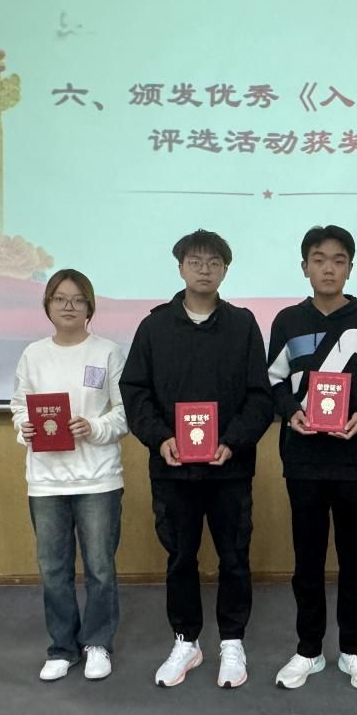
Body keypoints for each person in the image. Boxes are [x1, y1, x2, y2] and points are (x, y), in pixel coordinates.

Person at [120, 229, 273, 689]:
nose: (204, 270)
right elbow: (135, 391)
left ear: (225, 270)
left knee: (234, 556)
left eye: (214, 262)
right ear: (180, 267)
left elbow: (260, 395)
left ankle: (232, 640)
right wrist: (160, 438)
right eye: (195, 261)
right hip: (173, 469)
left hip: (230, 468)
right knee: (180, 557)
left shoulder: (243, 325)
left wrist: (234, 441)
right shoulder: (154, 327)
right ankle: (186, 640)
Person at [266, 225, 357, 691]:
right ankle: (309, 649)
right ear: (305, 267)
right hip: (303, 458)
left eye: (338, 260)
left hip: (356, 459)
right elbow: (273, 381)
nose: (328, 268)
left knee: (354, 559)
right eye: (319, 259)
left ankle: (354, 650)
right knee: (308, 560)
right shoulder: (288, 321)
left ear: (350, 268)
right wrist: (290, 413)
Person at [10, 269, 128, 682]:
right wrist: (25, 427)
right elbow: (20, 406)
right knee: (53, 570)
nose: (69, 306)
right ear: (47, 305)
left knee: (99, 568)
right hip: (46, 481)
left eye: (78, 299)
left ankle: (97, 643)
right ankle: (62, 647)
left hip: (98, 478)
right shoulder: (33, 354)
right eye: (60, 298)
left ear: (90, 307)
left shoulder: (108, 352)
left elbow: (124, 413)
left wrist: (92, 427)